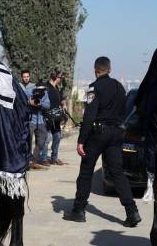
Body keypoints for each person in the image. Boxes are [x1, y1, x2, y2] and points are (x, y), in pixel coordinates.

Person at [63, 57, 141, 227]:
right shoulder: (120, 87)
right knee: (117, 173)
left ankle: (78, 210)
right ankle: (132, 212)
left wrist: (81, 141)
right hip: (116, 133)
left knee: (86, 172)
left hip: (99, 134)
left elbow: (89, 116)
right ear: (109, 69)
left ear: (95, 70)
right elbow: (123, 110)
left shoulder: (94, 88)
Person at [41, 70, 68, 165]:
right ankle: (44, 158)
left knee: (57, 136)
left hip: (56, 117)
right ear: (55, 77)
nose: (61, 79)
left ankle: (54, 158)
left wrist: (64, 104)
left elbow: (61, 99)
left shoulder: (56, 87)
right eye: (60, 77)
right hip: (47, 117)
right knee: (47, 138)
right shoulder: (46, 87)